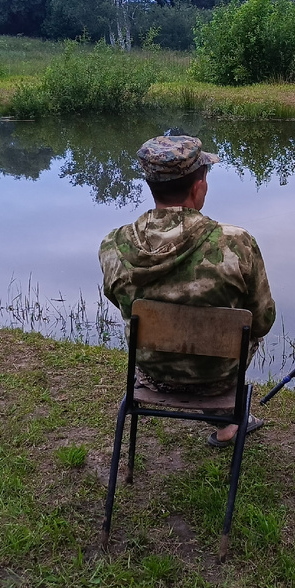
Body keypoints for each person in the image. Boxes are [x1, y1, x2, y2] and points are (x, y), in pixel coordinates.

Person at [99, 134, 276, 446]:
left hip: (151, 373)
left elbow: (119, 300)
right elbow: (263, 321)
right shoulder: (237, 243)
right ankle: (228, 424)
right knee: (246, 329)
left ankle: (225, 425)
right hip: (218, 378)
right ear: (199, 186)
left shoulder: (113, 245)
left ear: (151, 185)